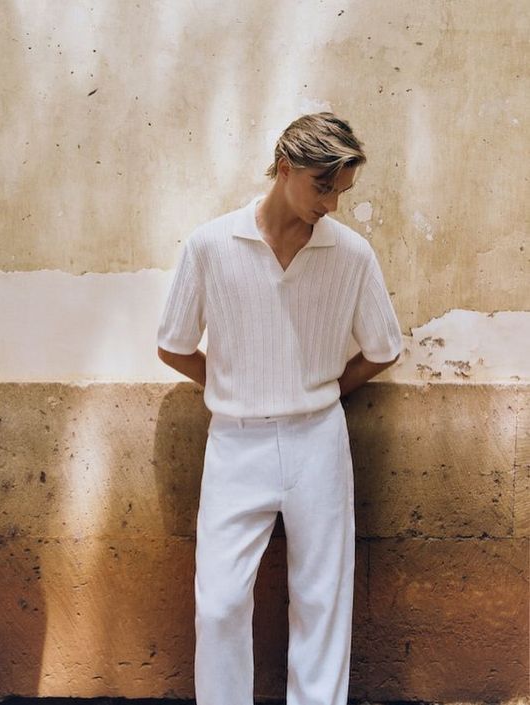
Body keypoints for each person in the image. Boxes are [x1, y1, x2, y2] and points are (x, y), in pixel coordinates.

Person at [157, 112, 401, 705]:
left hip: (318, 440)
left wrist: (325, 390)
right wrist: (233, 384)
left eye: (341, 192)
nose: (331, 205)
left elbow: (384, 348)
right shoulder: (211, 244)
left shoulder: (351, 254)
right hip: (235, 441)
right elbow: (173, 344)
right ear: (285, 168)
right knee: (219, 604)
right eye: (323, 186)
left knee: (321, 599)